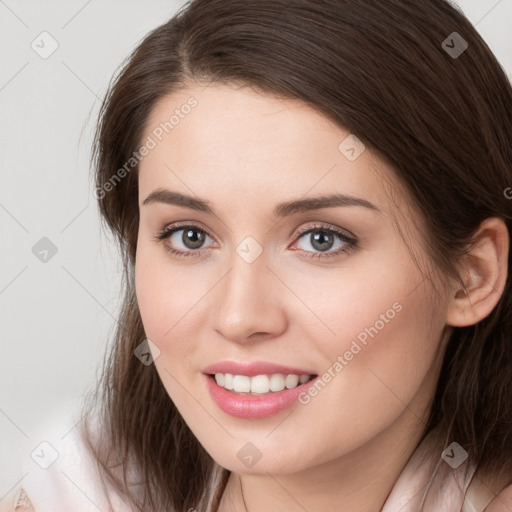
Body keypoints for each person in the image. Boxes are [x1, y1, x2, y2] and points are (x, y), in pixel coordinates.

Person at [3, 0, 512, 510]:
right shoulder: (75, 491)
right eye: (190, 236)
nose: (240, 316)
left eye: (321, 239)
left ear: (472, 275)